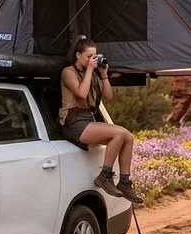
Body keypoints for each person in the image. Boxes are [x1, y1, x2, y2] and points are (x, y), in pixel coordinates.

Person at [59, 36, 143, 204]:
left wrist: (103, 75)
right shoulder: (68, 72)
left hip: (87, 119)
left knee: (128, 137)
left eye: (95, 56)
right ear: (78, 55)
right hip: (73, 121)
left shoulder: (93, 74)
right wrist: (90, 70)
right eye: (89, 56)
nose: (93, 60)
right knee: (118, 134)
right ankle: (105, 176)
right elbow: (81, 93)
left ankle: (124, 182)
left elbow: (109, 96)